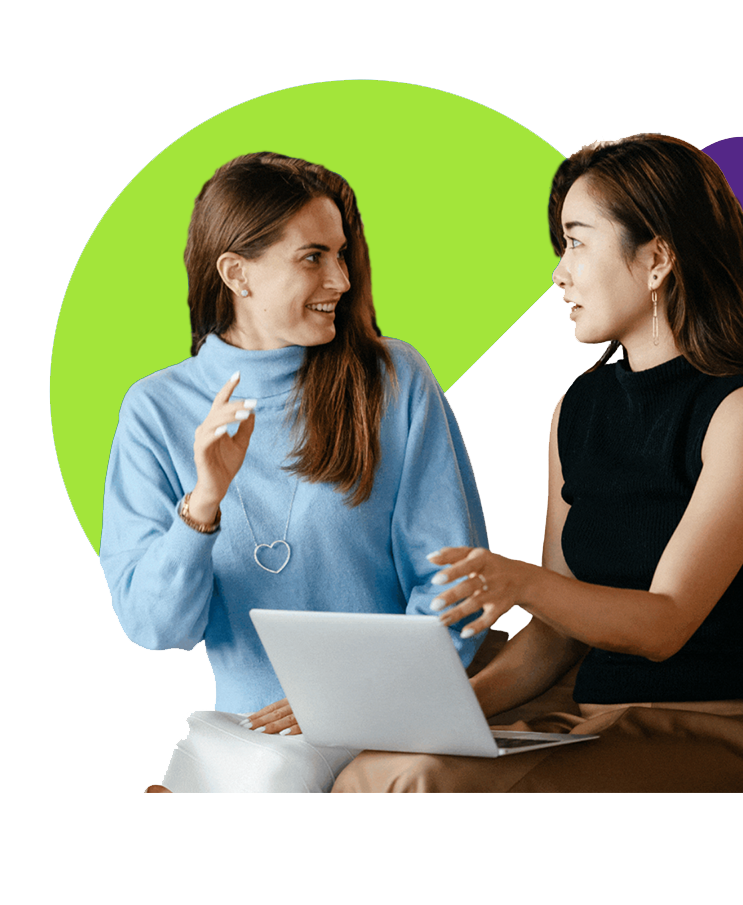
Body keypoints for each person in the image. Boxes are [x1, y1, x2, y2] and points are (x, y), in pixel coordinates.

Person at [332, 133, 743, 793]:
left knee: (419, 783)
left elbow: (664, 624)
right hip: (598, 720)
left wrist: (521, 582)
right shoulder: (580, 406)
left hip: (725, 728)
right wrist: (425, 719)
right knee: (373, 768)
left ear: (657, 259)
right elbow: (555, 638)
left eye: (577, 242)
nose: (559, 273)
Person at [99, 152, 489, 792]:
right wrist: (204, 503)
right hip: (245, 741)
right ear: (236, 273)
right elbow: (154, 626)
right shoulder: (155, 409)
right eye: (313, 257)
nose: (341, 279)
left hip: (384, 731)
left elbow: (457, 587)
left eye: (342, 255)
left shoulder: (393, 380)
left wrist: (350, 703)